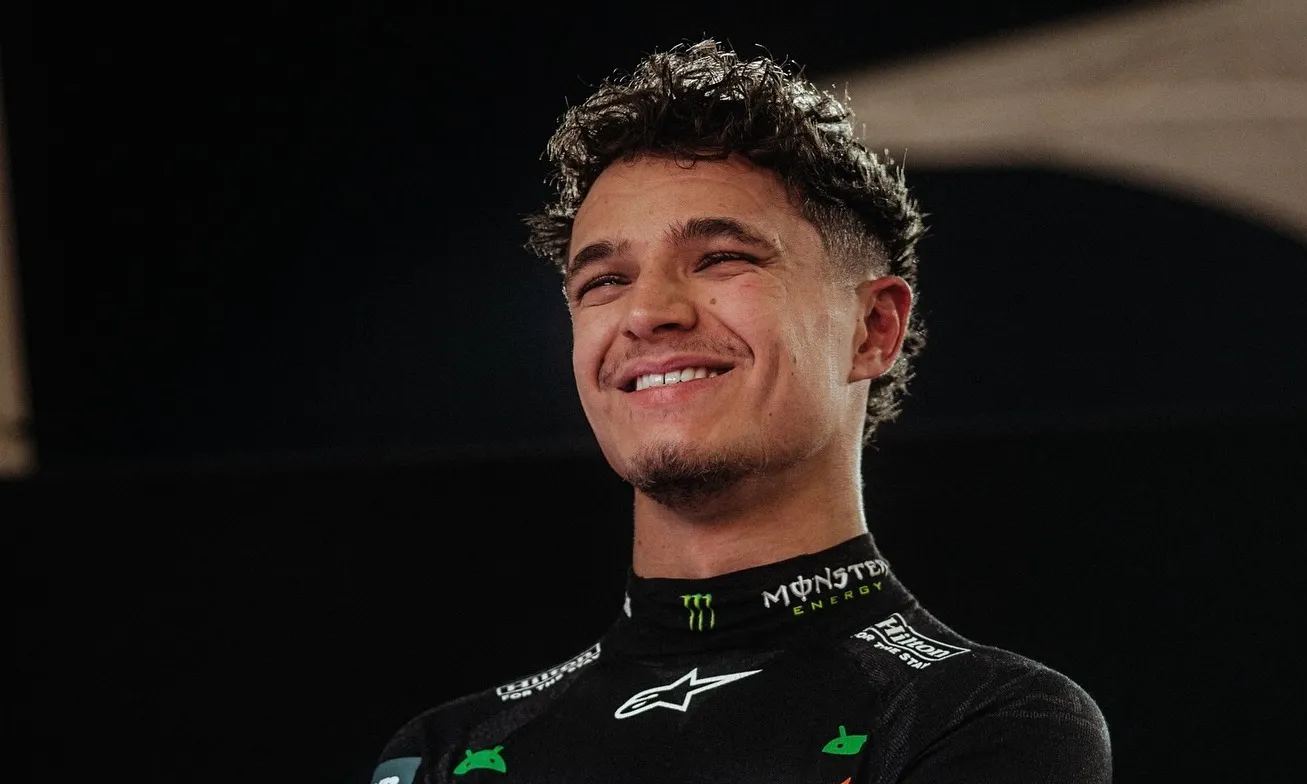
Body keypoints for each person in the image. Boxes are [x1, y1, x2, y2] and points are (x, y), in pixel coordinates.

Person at [368, 39, 1112, 783]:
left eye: (722, 258)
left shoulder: (987, 720)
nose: (647, 313)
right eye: (604, 281)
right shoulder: (442, 752)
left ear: (872, 329)